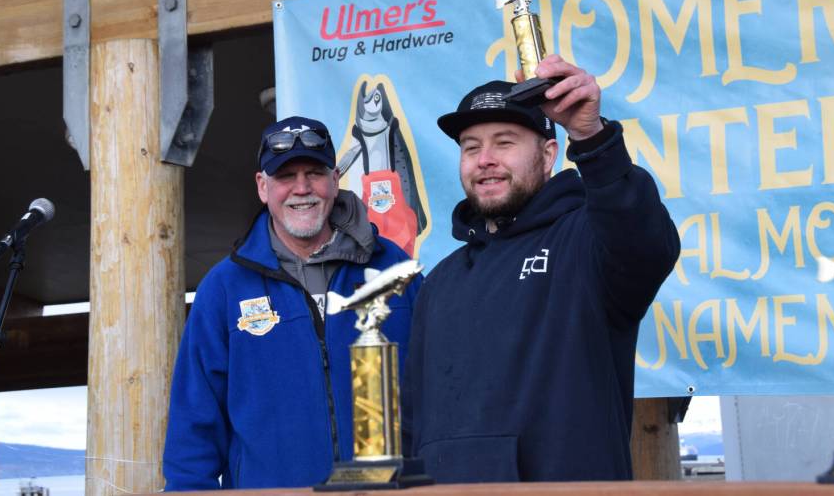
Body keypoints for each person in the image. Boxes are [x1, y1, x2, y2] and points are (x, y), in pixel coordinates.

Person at [403, 55, 680, 483]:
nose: (485, 159)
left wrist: (591, 138)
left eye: (506, 142)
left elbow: (645, 244)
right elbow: (413, 422)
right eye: (471, 147)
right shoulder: (440, 281)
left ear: (549, 153)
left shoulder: (586, 240)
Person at [163, 116, 420, 490]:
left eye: (314, 173)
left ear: (334, 180)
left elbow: (444, 394)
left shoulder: (396, 269)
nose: (302, 188)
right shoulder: (223, 289)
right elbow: (193, 425)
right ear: (263, 186)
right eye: (286, 176)